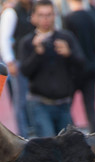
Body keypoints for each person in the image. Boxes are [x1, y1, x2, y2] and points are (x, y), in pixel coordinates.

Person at [17, 0, 85, 138]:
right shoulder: (28, 42)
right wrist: (37, 53)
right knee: (49, 148)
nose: (45, 19)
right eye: (41, 15)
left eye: (49, 14)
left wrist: (69, 54)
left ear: (55, 15)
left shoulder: (65, 37)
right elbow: (24, 71)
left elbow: (82, 65)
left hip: (64, 103)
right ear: (34, 17)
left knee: (68, 147)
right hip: (40, 104)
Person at [0, 0, 35, 137]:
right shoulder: (11, 12)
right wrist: (10, 62)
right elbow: (4, 39)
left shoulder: (35, 8)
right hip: (20, 61)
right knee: (21, 101)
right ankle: (23, 136)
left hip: (36, 61)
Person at [64, 0, 95, 133]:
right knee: (90, 105)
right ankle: (93, 134)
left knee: (67, 105)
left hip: (75, 68)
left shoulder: (68, 18)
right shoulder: (91, 15)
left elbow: (67, 43)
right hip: (91, 65)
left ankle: (73, 134)